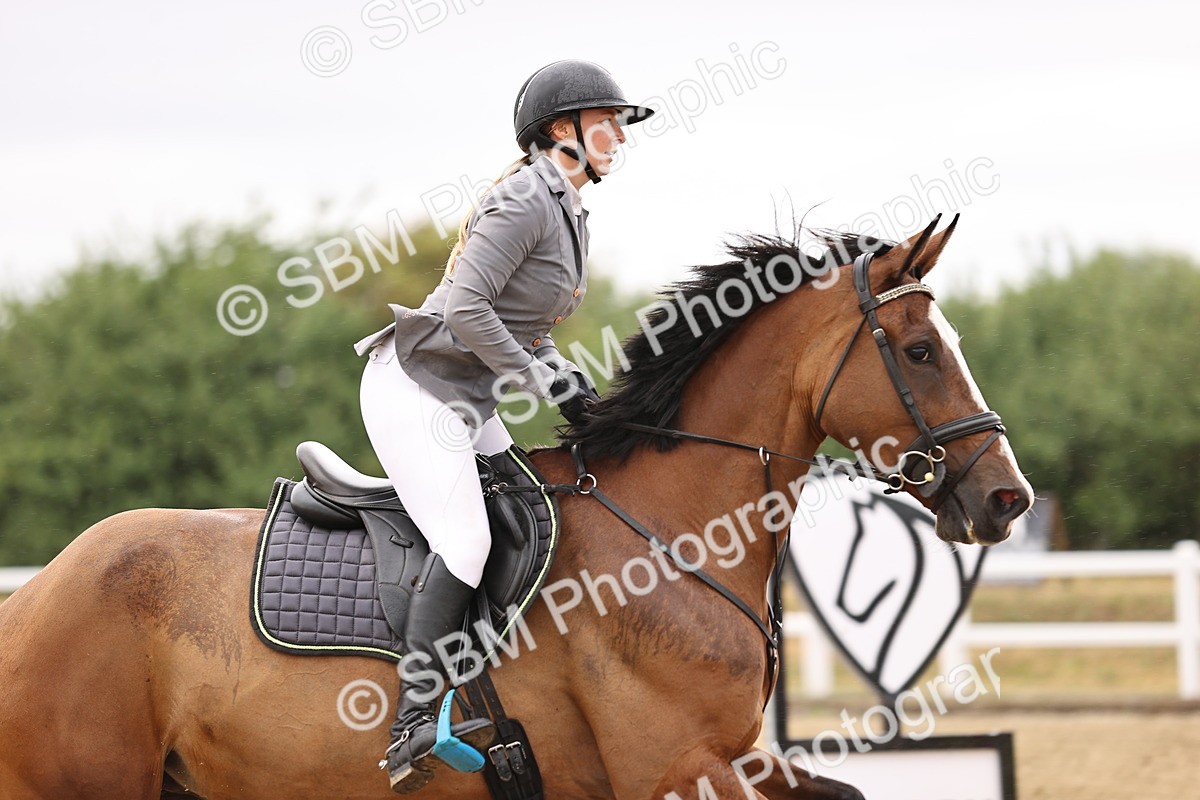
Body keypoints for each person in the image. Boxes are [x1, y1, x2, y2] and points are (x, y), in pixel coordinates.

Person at [351, 60, 654, 793]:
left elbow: (525, 323)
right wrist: (539, 377)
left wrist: (562, 378)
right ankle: (414, 718)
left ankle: (492, 678)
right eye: (607, 121)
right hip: (416, 387)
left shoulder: (570, 209)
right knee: (469, 537)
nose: (620, 136)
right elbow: (462, 311)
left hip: (467, 398)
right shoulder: (525, 199)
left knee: (531, 512)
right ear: (562, 130)